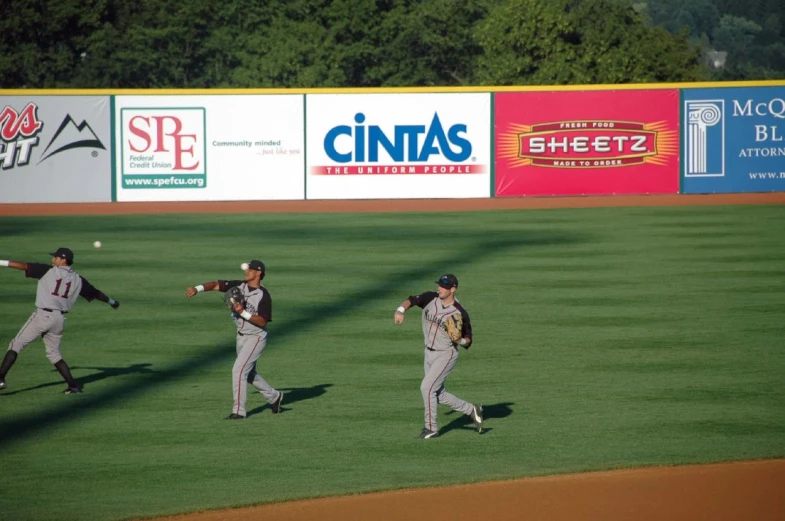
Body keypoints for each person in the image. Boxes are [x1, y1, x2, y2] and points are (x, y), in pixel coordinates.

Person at [0, 248, 120, 394]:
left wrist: (1, 262)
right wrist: (112, 302)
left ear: (63, 260)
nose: (53, 260)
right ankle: (74, 386)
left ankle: (1, 378)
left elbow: (23, 266)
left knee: (16, 344)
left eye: (56, 257)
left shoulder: (48, 271)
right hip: (59, 320)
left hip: (42, 316)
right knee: (54, 354)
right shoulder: (78, 279)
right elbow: (96, 293)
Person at [185, 260, 283, 419]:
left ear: (259, 273)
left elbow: (263, 321)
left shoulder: (263, 295)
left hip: (256, 337)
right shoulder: (239, 286)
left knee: (238, 370)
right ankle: (274, 396)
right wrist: (197, 289)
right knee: (249, 373)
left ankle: (239, 411)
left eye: (250, 269)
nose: (247, 271)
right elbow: (217, 285)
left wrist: (243, 312)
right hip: (241, 336)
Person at [394, 274, 483, 439]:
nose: (439, 288)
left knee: (426, 388)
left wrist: (459, 339)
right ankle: (472, 410)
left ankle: (430, 428)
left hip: (446, 354)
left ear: (453, 289)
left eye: (444, 286)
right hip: (428, 352)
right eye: (439, 285)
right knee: (437, 394)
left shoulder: (460, 312)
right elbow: (411, 300)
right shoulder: (430, 298)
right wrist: (400, 311)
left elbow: (468, 340)